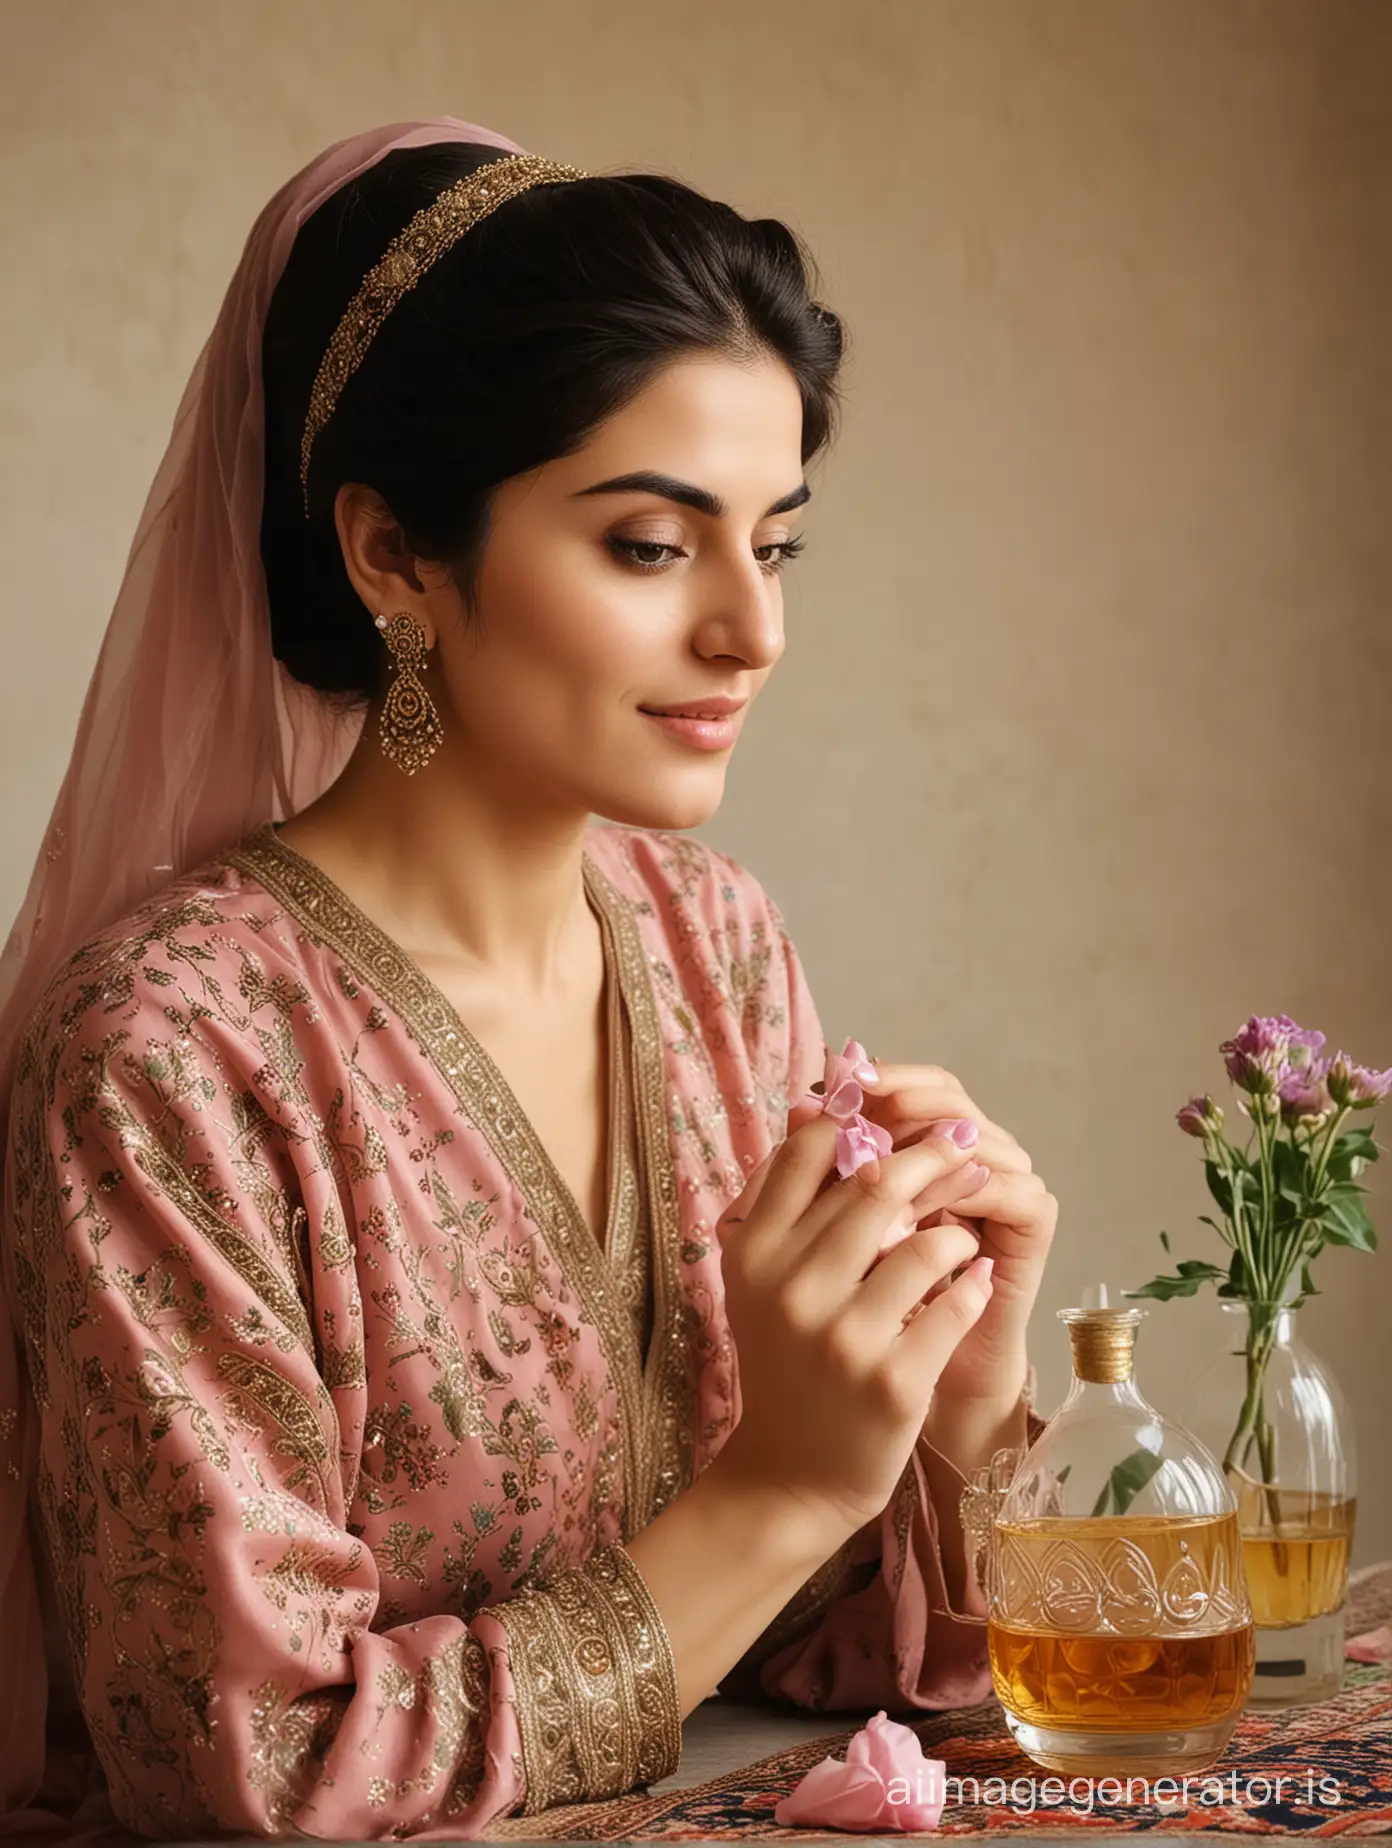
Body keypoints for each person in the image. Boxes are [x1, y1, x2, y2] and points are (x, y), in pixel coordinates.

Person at [0, 117, 1058, 1842]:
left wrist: (955, 1401)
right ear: (391, 556)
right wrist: (786, 1485)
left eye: (774, 543)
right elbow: (256, 1768)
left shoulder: (715, 945)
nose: (751, 630)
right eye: (652, 544)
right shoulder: (175, 1054)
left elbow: (822, 1641)